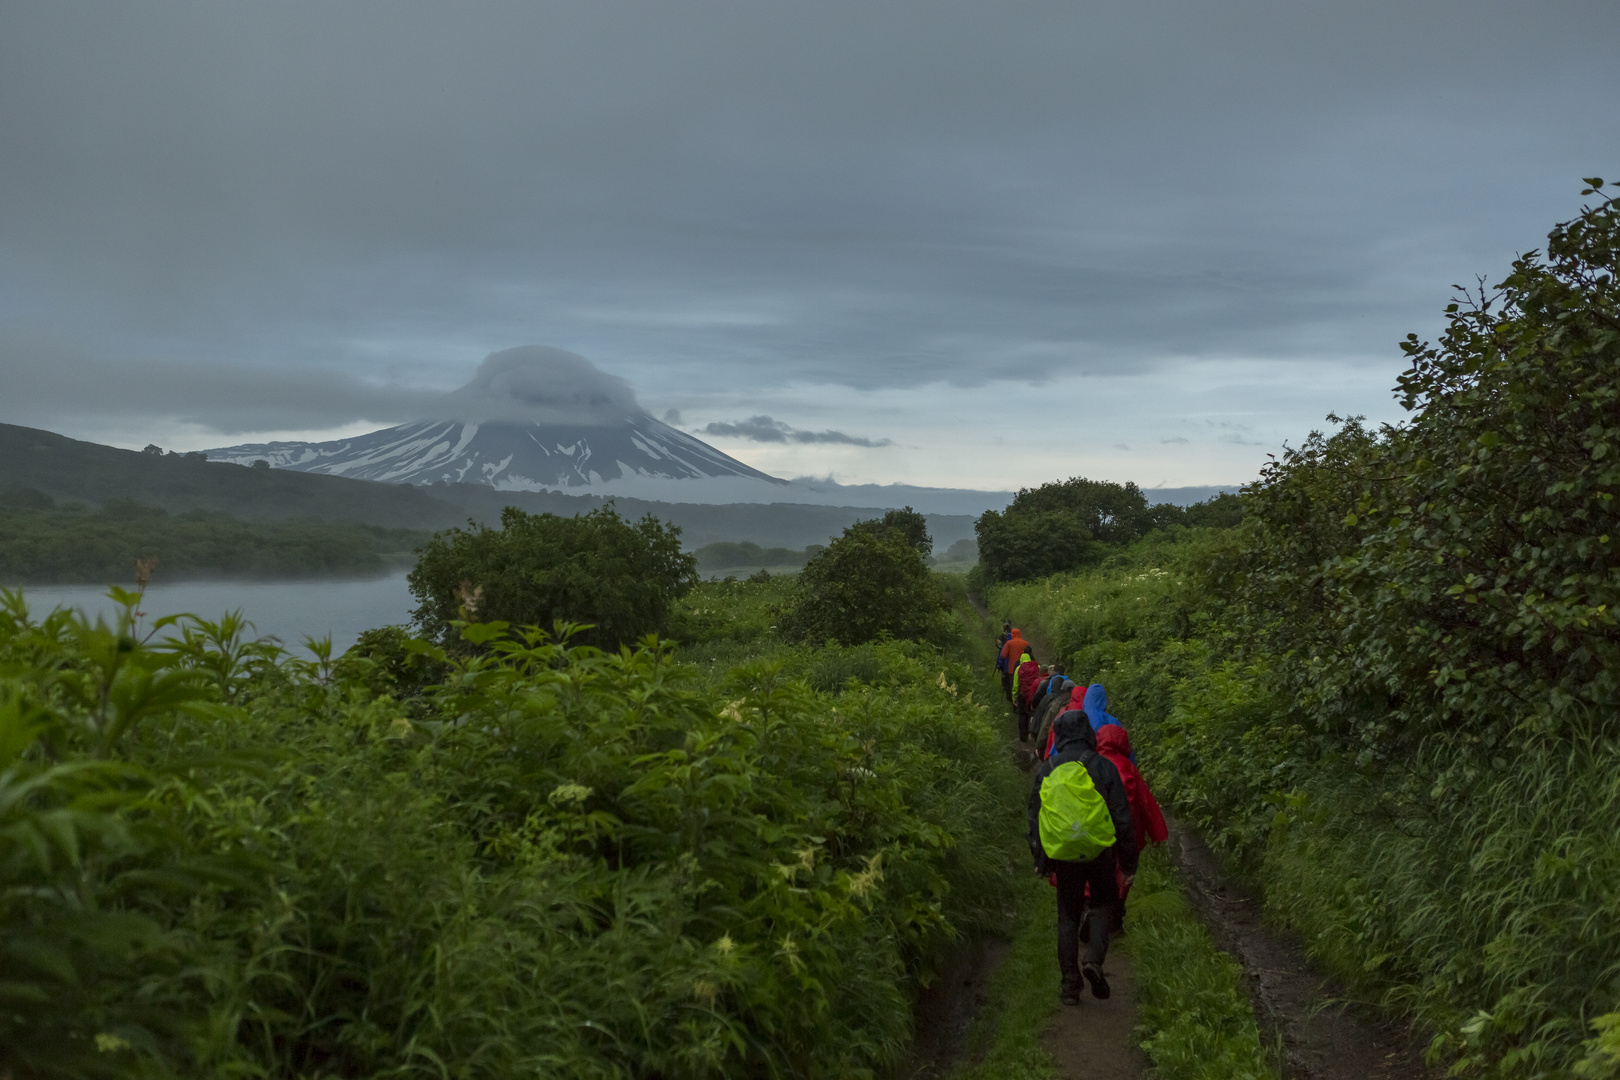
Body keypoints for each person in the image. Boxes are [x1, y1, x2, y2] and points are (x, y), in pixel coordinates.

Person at [1029, 710, 1138, 1005]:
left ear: (1060, 735)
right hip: (1100, 851)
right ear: (1088, 733)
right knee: (1103, 904)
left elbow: (1035, 816)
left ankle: (1069, 988)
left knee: (1067, 917)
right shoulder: (1102, 766)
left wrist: (1041, 857)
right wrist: (1128, 862)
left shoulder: (1048, 769)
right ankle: (1094, 960)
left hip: (1064, 855)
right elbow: (1122, 817)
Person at [1093, 724, 1167, 928]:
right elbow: (1146, 803)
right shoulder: (1128, 767)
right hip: (1129, 827)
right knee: (1124, 871)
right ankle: (1115, 913)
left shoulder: (1092, 764)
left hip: (1098, 827)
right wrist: (1157, 834)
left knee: (1099, 868)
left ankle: (1095, 908)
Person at [998, 627, 1027, 700]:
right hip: (1024, 668)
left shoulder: (1009, 643)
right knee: (1022, 685)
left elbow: (1003, 655)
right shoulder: (1025, 643)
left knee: (1013, 685)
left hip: (1012, 668)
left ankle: (1014, 702)